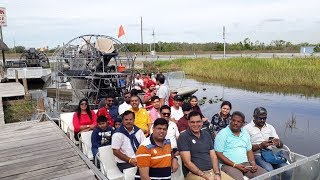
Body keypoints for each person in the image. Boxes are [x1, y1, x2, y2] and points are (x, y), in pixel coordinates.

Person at [178, 111, 231, 180]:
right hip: (194, 174)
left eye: (198, 122)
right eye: (192, 122)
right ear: (188, 123)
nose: (195, 124)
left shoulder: (206, 134)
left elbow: (213, 157)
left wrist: (217, 173)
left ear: (202, 122)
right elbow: (187, 163)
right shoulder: (183, 137)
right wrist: (204, 175)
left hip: (212, 171)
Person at [214, 111, 268, 180]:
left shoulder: (245, 133)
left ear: (243, 124)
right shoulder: (222, 134)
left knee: (265, 176)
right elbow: (219, 154)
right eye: (233, 120)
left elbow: (249, 150)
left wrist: (253, 164)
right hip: (229, 165)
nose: (235, 123)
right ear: (230, 120)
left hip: (245, 164)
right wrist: (235, 165)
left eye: (239, 121)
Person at [244, 107, 292, 180]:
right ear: (254, 117)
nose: (262, 120)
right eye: (260, 118)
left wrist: (278, 143)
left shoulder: (270, 127)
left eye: (264, 118)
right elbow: (245, 149)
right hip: (256, 154)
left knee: (288, 169)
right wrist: (260, 146)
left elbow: (280, 145)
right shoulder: (246, 129)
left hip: (271, 153)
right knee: (269, 171)